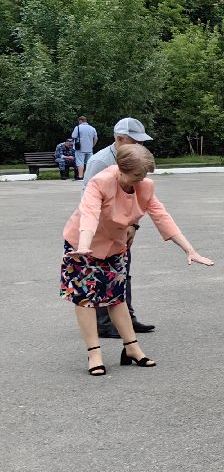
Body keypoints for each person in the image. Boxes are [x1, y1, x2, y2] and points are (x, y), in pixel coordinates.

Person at [61, 144, 213, 375]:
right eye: (137, 175)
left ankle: (131, 348)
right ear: (120, 170)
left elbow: (161, 216)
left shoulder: (144, 186)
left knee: (117, 297)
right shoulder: (100, 182)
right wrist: (83, 247)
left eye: (144, 175)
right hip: (83, 245)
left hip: (115, 246)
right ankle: (94, 354)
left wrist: (189, 250)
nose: (141, 180)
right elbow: (89, 215)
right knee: (85, 300)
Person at [84, 117, 157, 337]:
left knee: (122, 272)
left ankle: (128, 318)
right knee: (101, 274)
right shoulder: (100, 162)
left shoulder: (133, 159)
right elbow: (89, 201)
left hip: (124, 227)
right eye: (135, 141)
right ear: (119, 138)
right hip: (101, 230)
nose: (140, 146)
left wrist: (133, 225)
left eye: (142, 142)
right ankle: (104, 323)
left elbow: (139, 197)